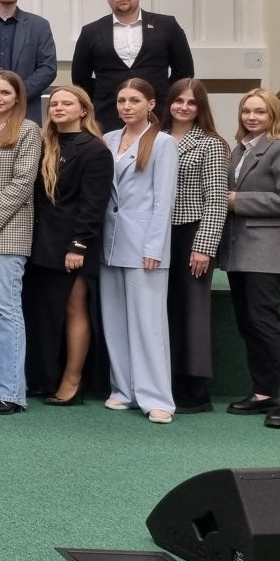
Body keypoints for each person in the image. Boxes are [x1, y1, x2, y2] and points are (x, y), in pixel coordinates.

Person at [220, 89, 280, 429]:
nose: (252, 117)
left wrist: (238, 201)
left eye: (260, 111)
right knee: (249, 322)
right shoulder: (239, 149)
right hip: (240, 251)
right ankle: (264, 392)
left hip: (266, 251)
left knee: (265, 323)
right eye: (247, 111)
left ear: (273, 114)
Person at [24, 84, 112, 404]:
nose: (58, 108)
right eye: (54, 104)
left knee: (74, 309)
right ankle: (44, 377)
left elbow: (93, 205)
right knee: (45, 313)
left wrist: (79, 246)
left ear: (83, 110)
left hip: (73, 245)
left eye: (67, 103)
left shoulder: (95, 150)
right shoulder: (44, 143)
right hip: (40, 243)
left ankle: (72, 381)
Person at [100, 78, 179, 423]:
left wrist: (155, 246)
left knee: (148, 324)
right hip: (110, 241)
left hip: (144, 244)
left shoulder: (163, 143)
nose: (126, 106)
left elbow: (164, 200)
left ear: (150, 104)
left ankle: (156, 397)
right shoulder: (108, 139)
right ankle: (124, 390)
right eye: (122, 100)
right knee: (114, 320)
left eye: (134, 100)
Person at [0, 71, 42, 415]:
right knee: (0, 307)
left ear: (17, 97)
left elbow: (23, 182)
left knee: (8, 308)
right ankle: (4, 379)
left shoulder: (29, 130)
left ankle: (11, 392)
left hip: (10, 228)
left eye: (4, 93)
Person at [161, 79, 230, 414]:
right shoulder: (155, 138)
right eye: (179, 101)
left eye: (191, 102)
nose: (184, 107)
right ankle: (164, 382)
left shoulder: (211, 144)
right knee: (163, 309)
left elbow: (216, 200)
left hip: (192, 234)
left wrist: (204, 246)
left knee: (191, 311)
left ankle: (194, 391)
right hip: (159, 235)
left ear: (200, 107)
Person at [70, 0, 196, 131]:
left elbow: (184, 71)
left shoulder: (167, 25)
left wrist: (163, 93)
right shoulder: (91, 32)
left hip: (158, 112)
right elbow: (80, 78)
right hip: (108, 115)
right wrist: (105, 95)